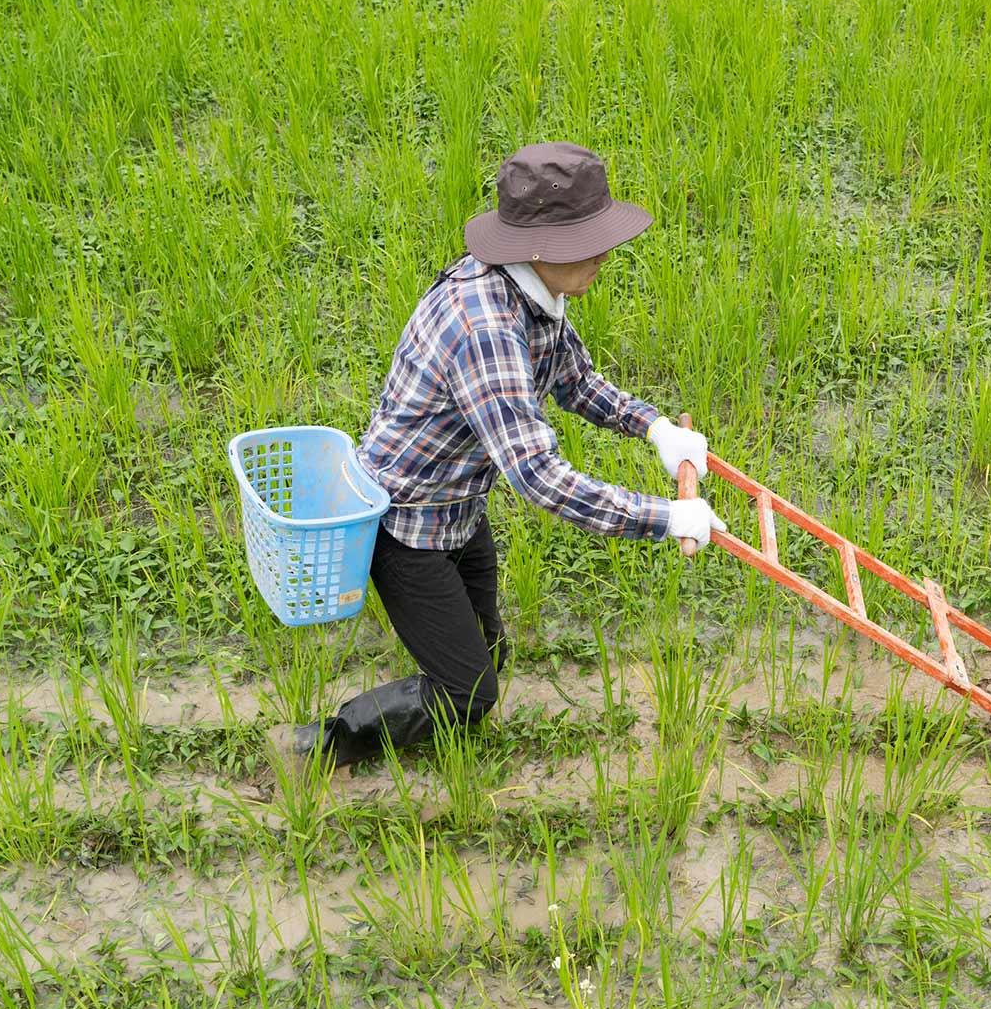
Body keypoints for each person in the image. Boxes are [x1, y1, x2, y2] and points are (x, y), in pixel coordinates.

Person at [269, 142, 726, 771]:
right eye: (588, 240)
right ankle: (316, 747)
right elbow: (538, 478)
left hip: (459, 506)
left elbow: (575, 380)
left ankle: (443, 706)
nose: (604, 253)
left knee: (487, 647)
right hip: (406, 527)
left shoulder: (532, 294)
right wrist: (664, 517)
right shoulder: (485, 326)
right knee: (468, 692)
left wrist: (655, 430)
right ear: (539, 247)